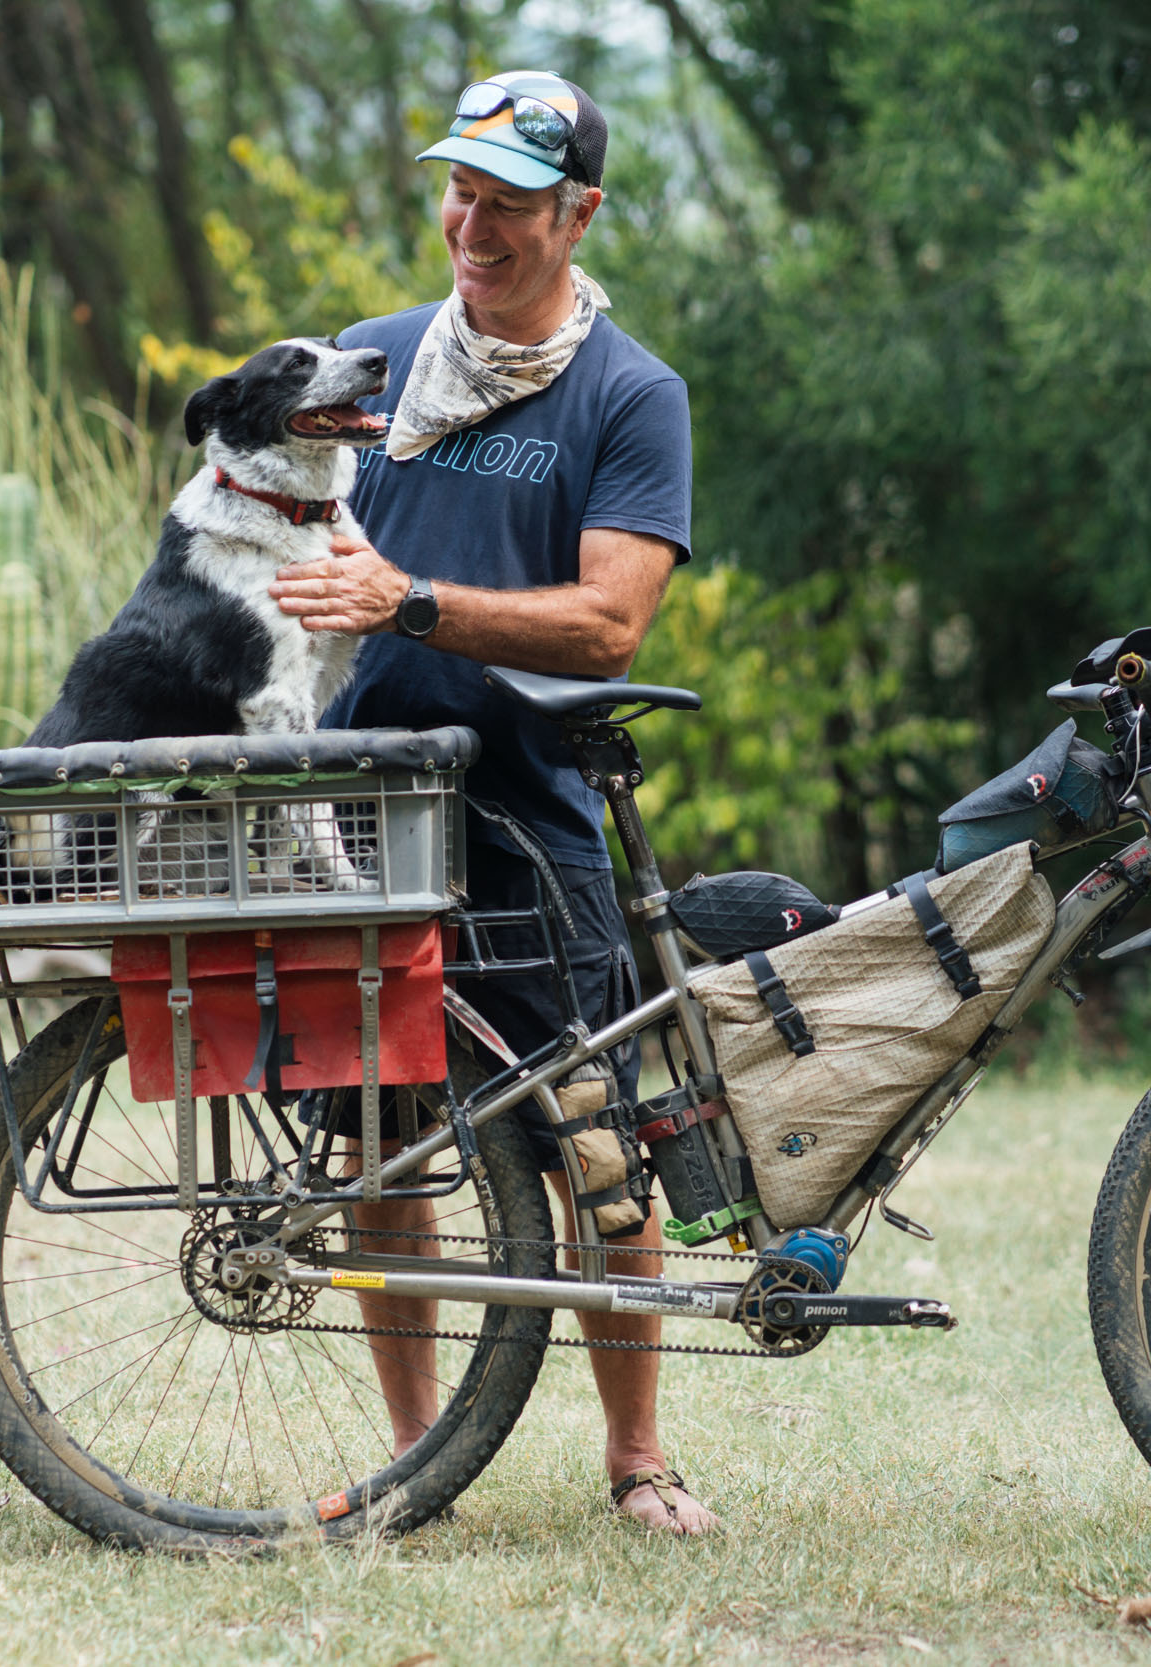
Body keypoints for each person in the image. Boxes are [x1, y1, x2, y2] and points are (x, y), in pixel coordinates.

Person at [266, 70, 715, 1536]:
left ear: (579, 214)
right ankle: (418, 1466)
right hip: (362, 807)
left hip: (529, 811)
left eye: (512, 204)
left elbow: (609, 625)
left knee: (595, 1143)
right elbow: (250, 515)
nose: (473, 224)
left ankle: (638, 1461)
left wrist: (411, 602)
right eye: (460, 191)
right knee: (376, 1146)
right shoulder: (377, 367)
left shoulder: (629, 394)